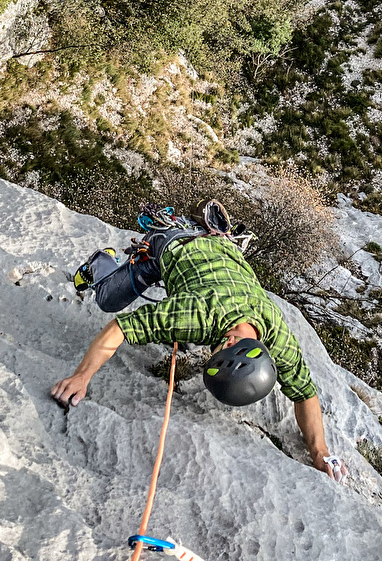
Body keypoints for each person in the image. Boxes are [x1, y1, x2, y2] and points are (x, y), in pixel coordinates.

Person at [52, 201, 346, 481]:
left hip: (219, 249)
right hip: (170, 242)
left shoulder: (277, 334)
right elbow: (119, 328)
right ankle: (103, 262)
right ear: (230, 344)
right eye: (214, 355)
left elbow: (304, 393)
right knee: (108, 299)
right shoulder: (197, 316)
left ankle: (212, 235)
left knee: (184, 321)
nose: (209, 355)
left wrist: (321, 454)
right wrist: (81, 377)